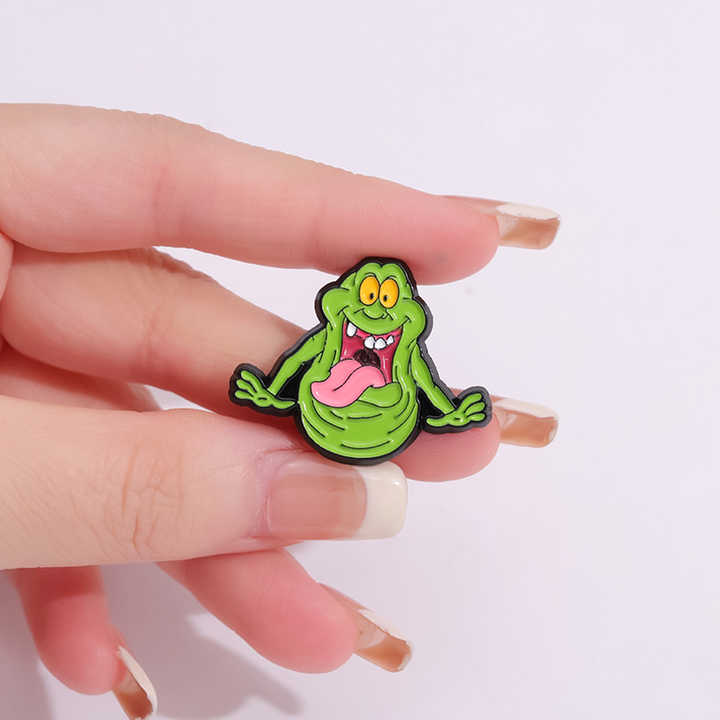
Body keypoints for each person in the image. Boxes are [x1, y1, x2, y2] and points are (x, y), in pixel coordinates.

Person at [0, 104, 558, 718]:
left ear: (409, 317)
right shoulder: (332, 340)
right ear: (342, 302)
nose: (376, 307)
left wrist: (446, 412)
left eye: (389, 298)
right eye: (365, 295)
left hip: (387, 418)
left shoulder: (400, 351)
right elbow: (301, 366)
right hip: (323, 414)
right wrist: (272, 396)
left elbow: (421, 380)